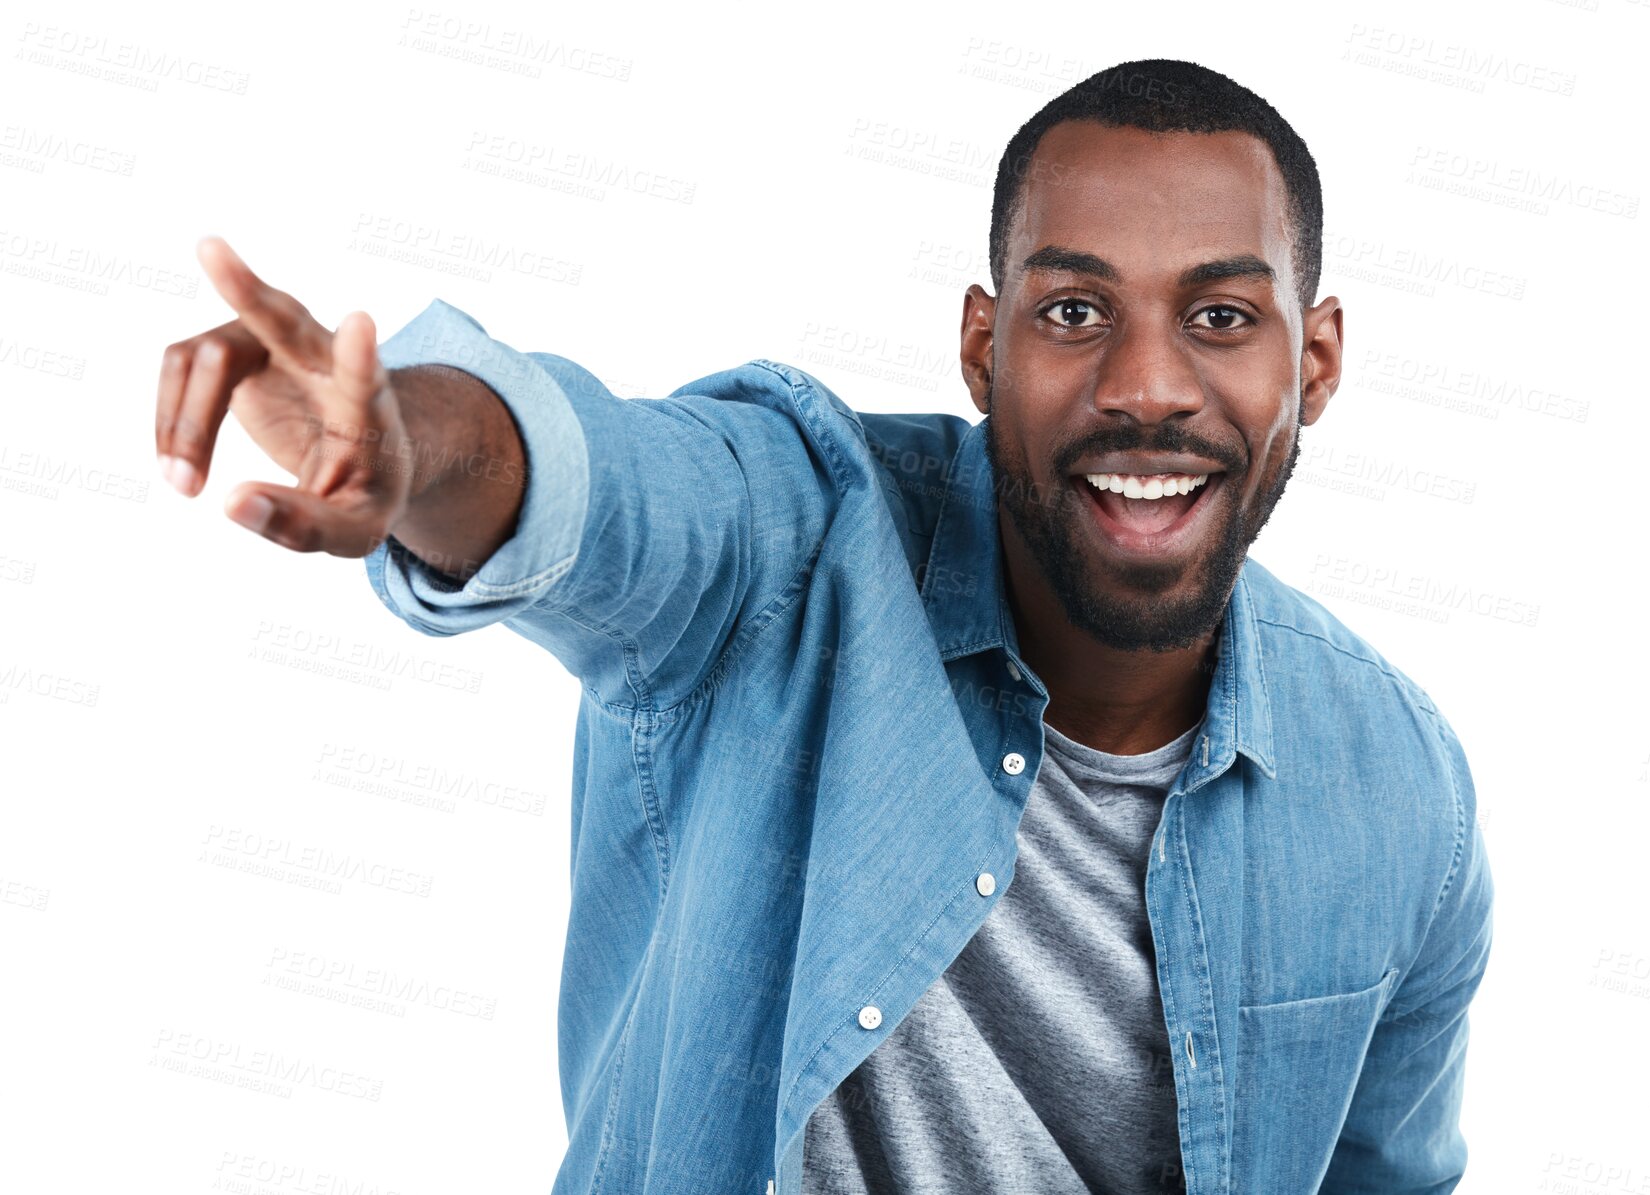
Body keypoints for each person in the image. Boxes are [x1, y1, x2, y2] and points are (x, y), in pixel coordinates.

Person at [153, 58, 1493, 1195]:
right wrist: (415, 441)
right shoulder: (791, 545)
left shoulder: (1395, 787)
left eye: (1218, 317)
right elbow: (604, 484)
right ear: (983, 347)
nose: (1146, 386)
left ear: (1310, 362)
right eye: (1073, 312)